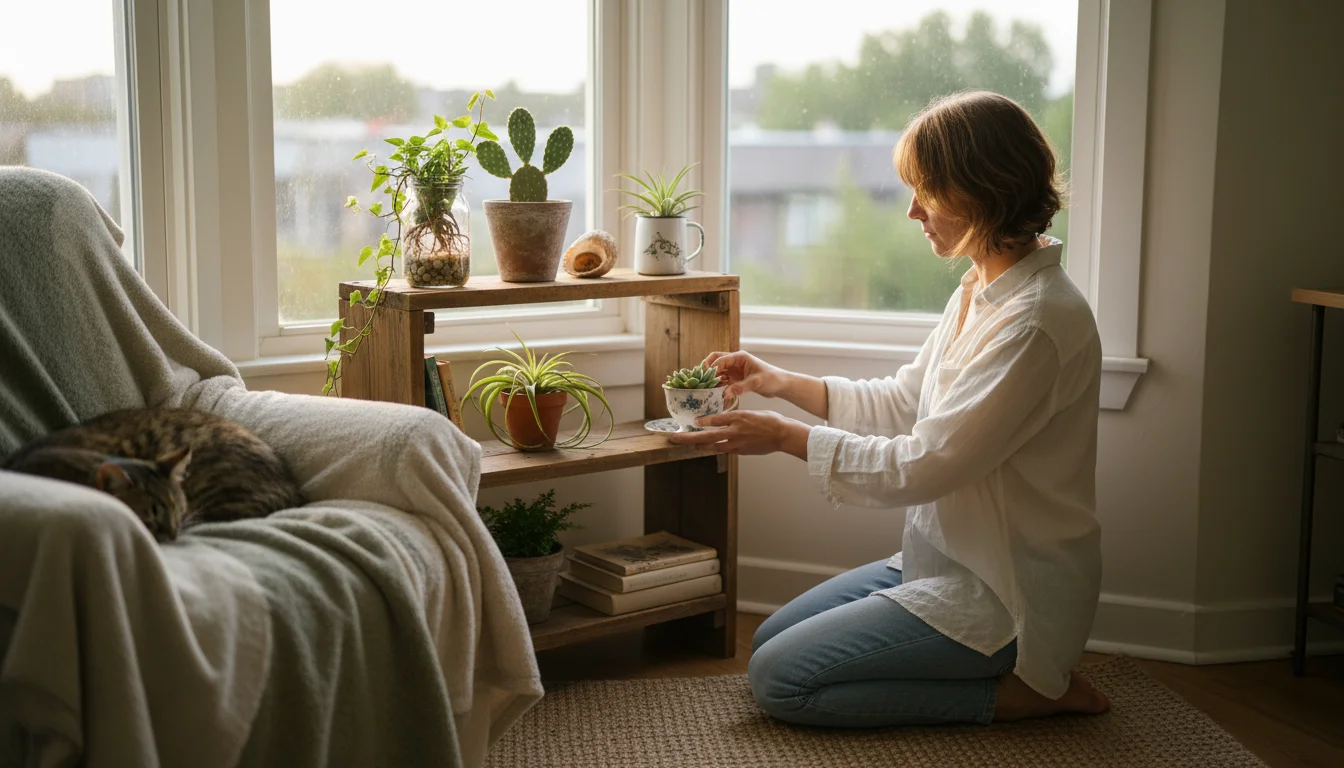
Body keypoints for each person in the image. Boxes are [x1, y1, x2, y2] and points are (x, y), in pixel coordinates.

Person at [669, 91, 1110, 727]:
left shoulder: (1035, 322)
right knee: (769, 641)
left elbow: (922, 467)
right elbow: (906, 401)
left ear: (981, 191)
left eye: (926, 192)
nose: (911, 212)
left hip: (1003, 593)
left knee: (779, 681)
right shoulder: (981, 290)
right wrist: (777, 380)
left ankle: (1027, 691)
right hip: (943, 561)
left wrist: (785, 438)